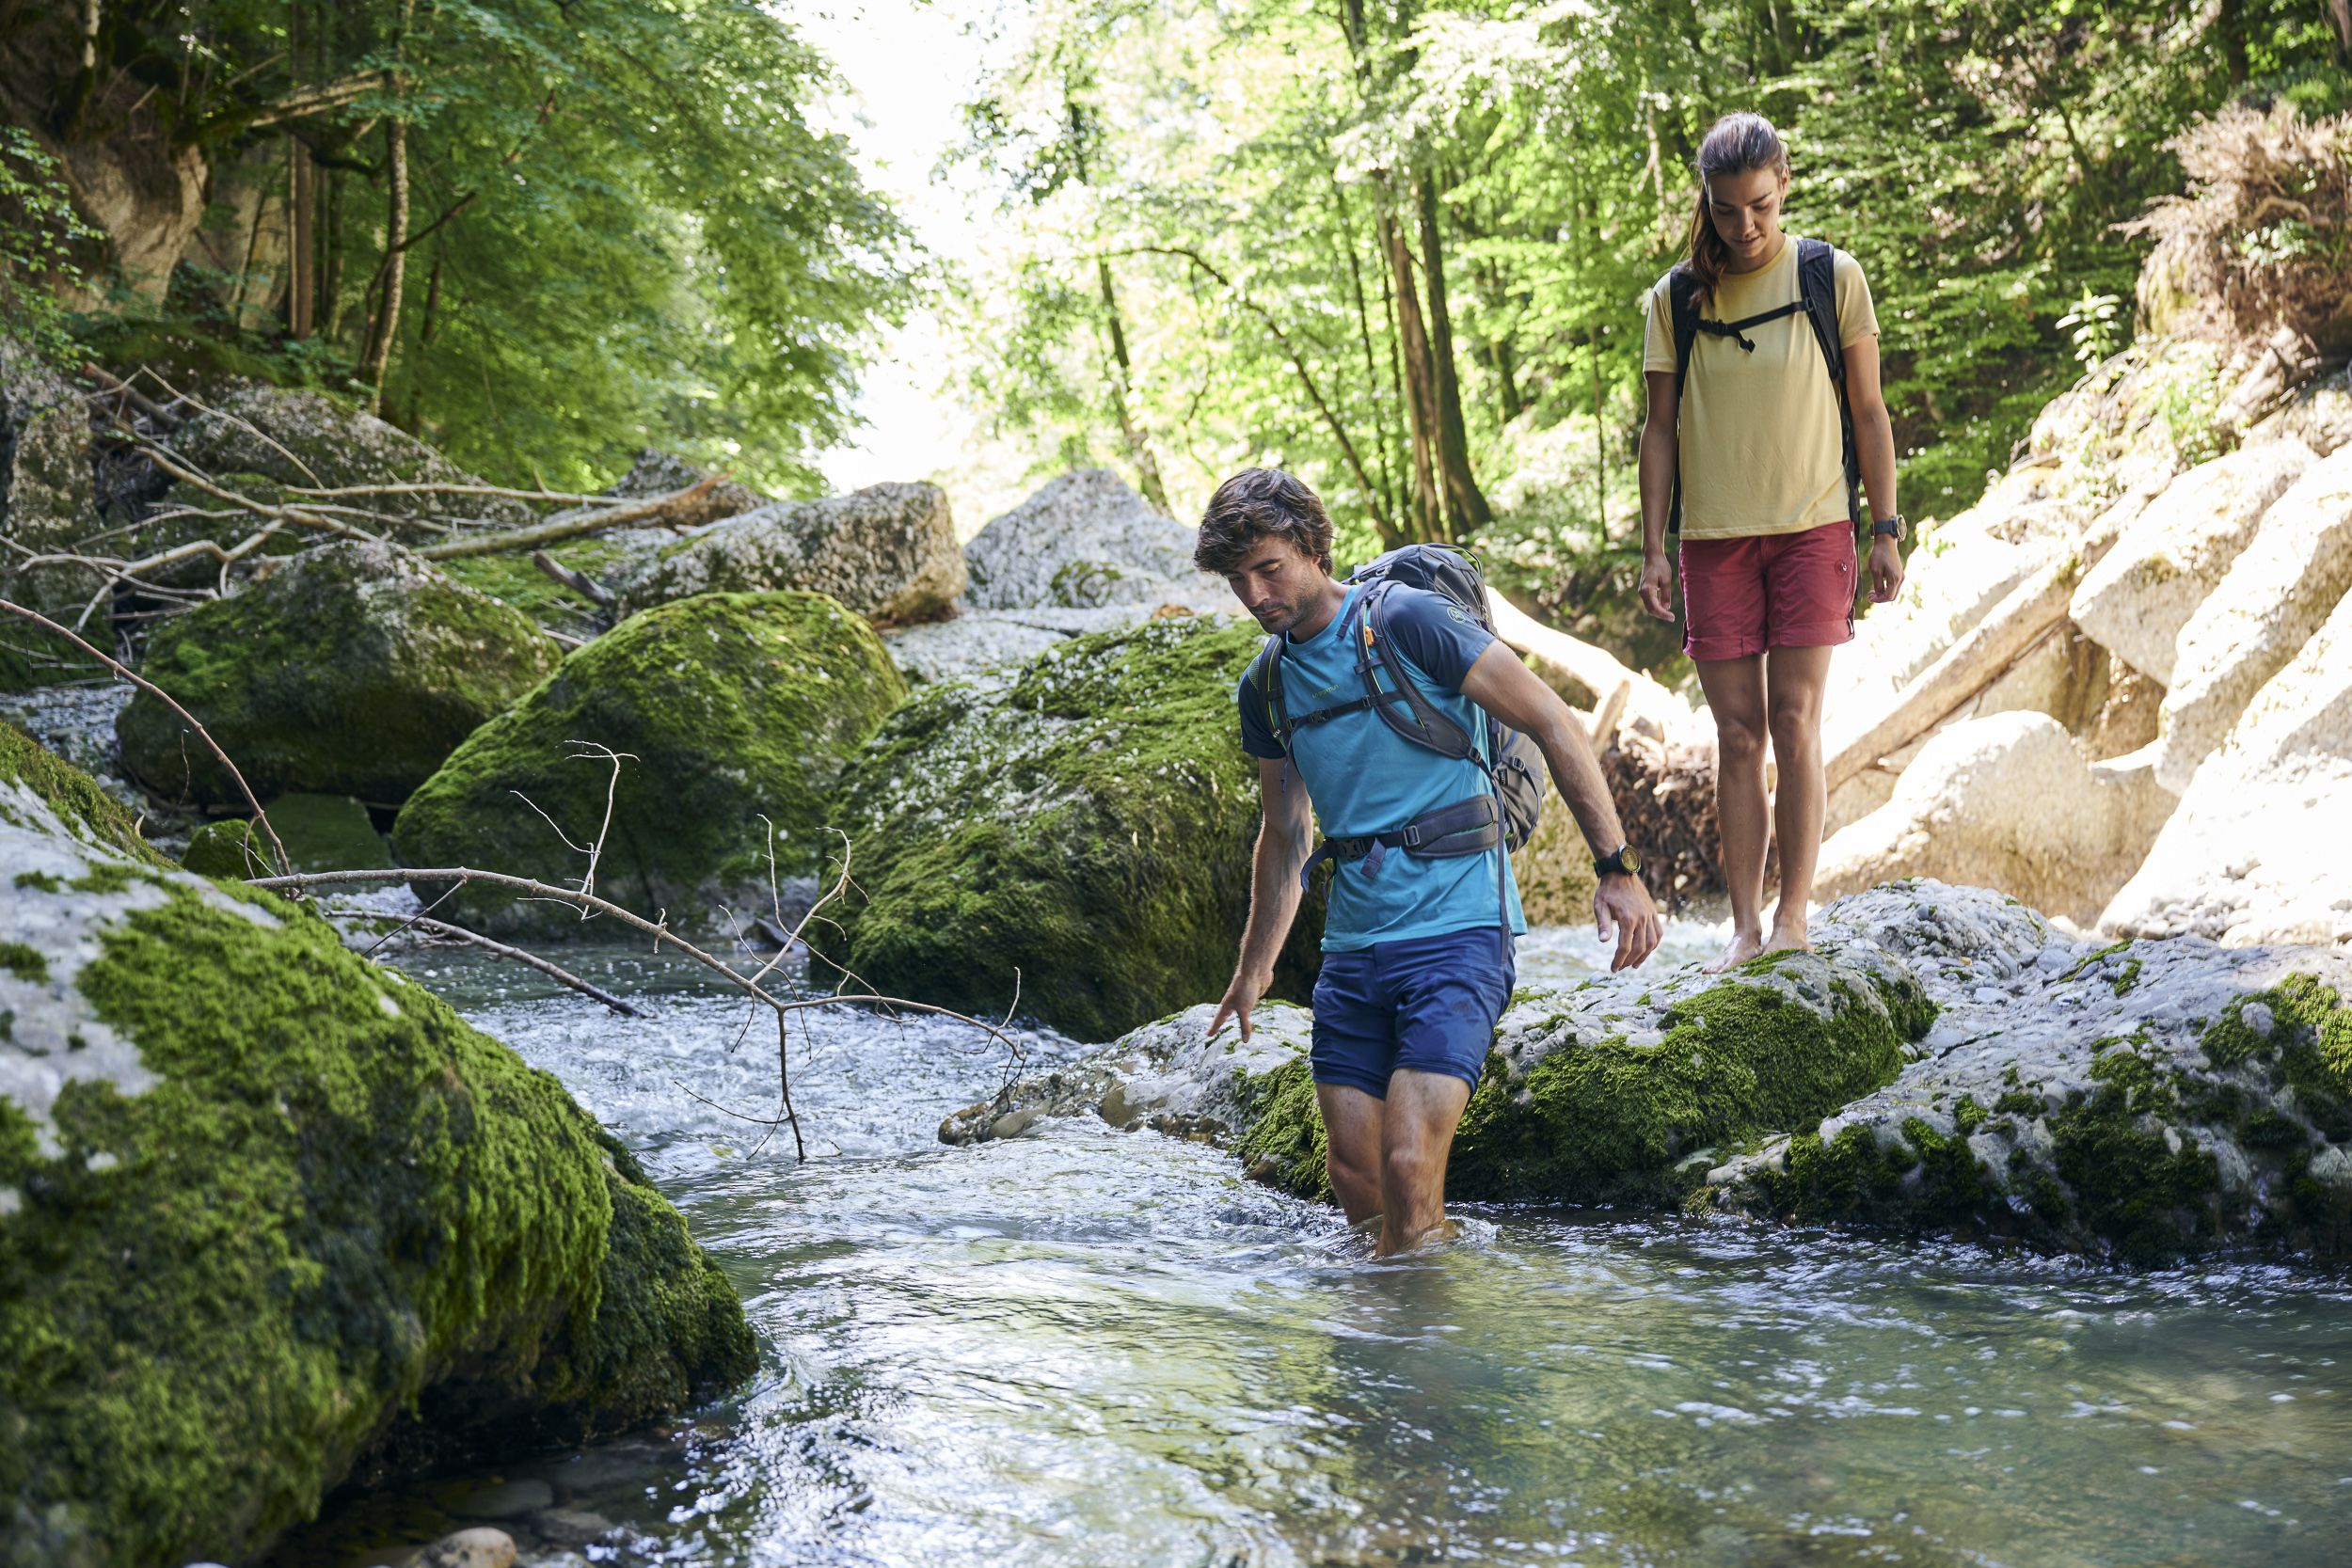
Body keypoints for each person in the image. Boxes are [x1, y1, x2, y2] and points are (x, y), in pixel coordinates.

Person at [1196, 468, 1662, 1257]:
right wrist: (1253, 968)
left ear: (1313, 547)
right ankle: (1407, 1316)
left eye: (1268, 569)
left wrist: (1616, 865)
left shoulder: (1406, 620)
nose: (1254, 594)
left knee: (1410, 1162)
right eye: (1237, 579)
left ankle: (1433, 1331)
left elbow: (1551, 718)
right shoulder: (1266, 685)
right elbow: (1285, 833)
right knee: (1354, 1174)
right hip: (1354, 949)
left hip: (1459, 929)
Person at [1635, 111, 1906, 974]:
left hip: (1813, 529)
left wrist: (1885, 530)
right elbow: (1659, 430)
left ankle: (1794, 916)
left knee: (1795, 722)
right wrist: (1652, 548)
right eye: (1725, 210)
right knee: (1740, 737)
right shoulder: (1676, 299)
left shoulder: (1831, 276)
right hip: (1714, 540)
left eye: (1758, 204)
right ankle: (1744, 927)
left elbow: (1869, 410)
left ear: (1783, 183)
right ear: (1706, 202)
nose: (1744, 225)